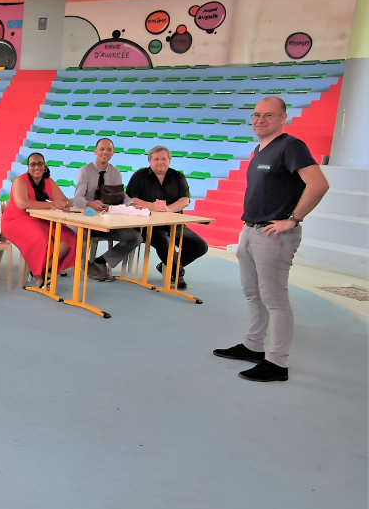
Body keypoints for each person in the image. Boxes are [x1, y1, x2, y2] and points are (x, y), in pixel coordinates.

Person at [213, 97, 329, 382]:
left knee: (275, 300)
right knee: (253, 293)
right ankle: (253, 346)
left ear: (282, 118)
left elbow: (319, 184)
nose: (259, 120)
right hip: (251, 229)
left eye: (268, 115)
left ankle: (277, 362)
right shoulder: (260, 150)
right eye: (256, 115)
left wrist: (293, 219)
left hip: (273, 234)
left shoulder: (291, 147)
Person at [126, 146, 209, 290]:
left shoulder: (178, 176)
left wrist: (169, 209)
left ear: (169, 161)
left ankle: (167, 266)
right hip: (148, 225)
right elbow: (131, 198)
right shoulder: (140, 175)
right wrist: (151, 206)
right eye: (156, 159)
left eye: (164, 159)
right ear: (150, 161)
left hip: (174, 224)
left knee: (200, 246)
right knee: (164, 242)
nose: (160, 162)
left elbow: (185, 200)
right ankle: (177, 273)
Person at [73, 138, 143, 282]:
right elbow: (77, 199)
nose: (105, 152)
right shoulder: (85, 170)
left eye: (109, 150)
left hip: (108, 221)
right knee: (79, 235)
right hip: (87, 221)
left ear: (113, 153)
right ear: (95, 151)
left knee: (136, 237)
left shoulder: (115, 172)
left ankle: (100, 262)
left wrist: (131, 205)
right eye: (102, 149)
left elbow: (120, 195)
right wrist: (89, 204)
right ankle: (85, 267)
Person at [2, 153, 76, 288]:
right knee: (41, 238)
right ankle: (39, 276)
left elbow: (63, 199)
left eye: (40, 163)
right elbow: (22, 204)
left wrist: (63, 202)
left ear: (44, 166)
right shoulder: (20, 181)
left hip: (39, 220)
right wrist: (51, 205)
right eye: (33, 164)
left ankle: (41, 269)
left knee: (69, 237)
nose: (37, 167)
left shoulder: (48, 181)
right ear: (28, 167)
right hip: (15, 220)